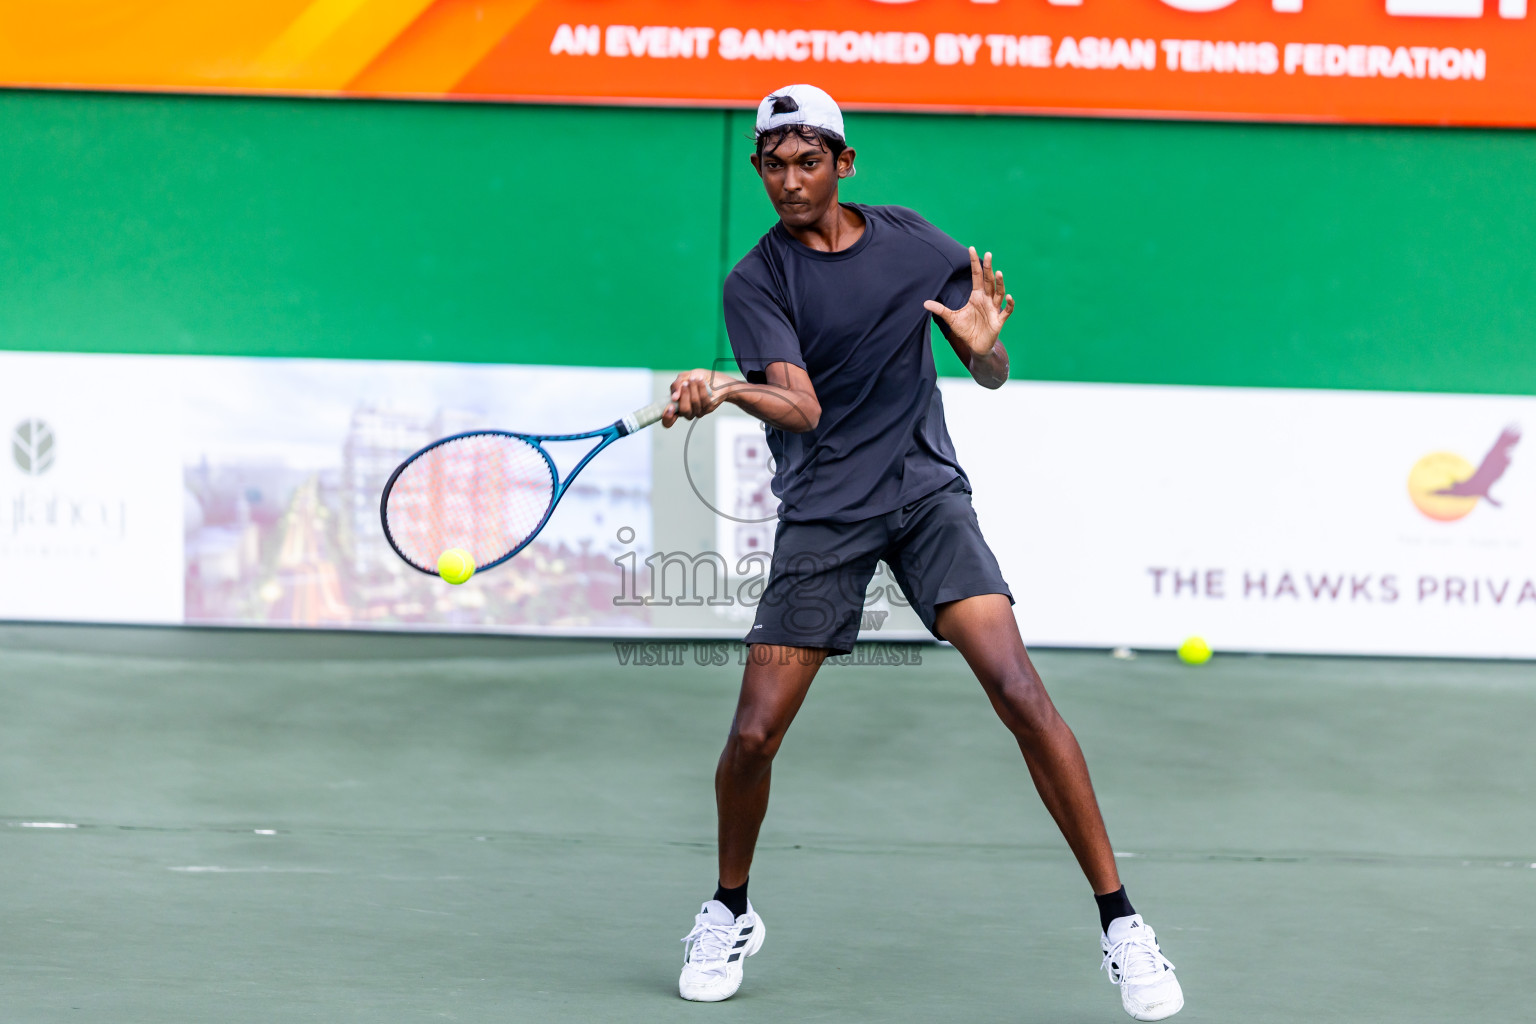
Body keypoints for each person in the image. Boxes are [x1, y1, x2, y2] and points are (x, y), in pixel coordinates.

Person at [660, 84, 1183, 1022]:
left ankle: (1122, 924)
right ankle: (729, 908)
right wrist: (733, 393)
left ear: (844, 163)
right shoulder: (757, 281)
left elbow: (986, 366)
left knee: (1020, 691)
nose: (790, 180)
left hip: (922, 494)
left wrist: (985, 352)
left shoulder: (913, 242)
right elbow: (804, 407)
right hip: (825, 515)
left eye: (808, 160)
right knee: (753, 735)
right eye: (773, 164)